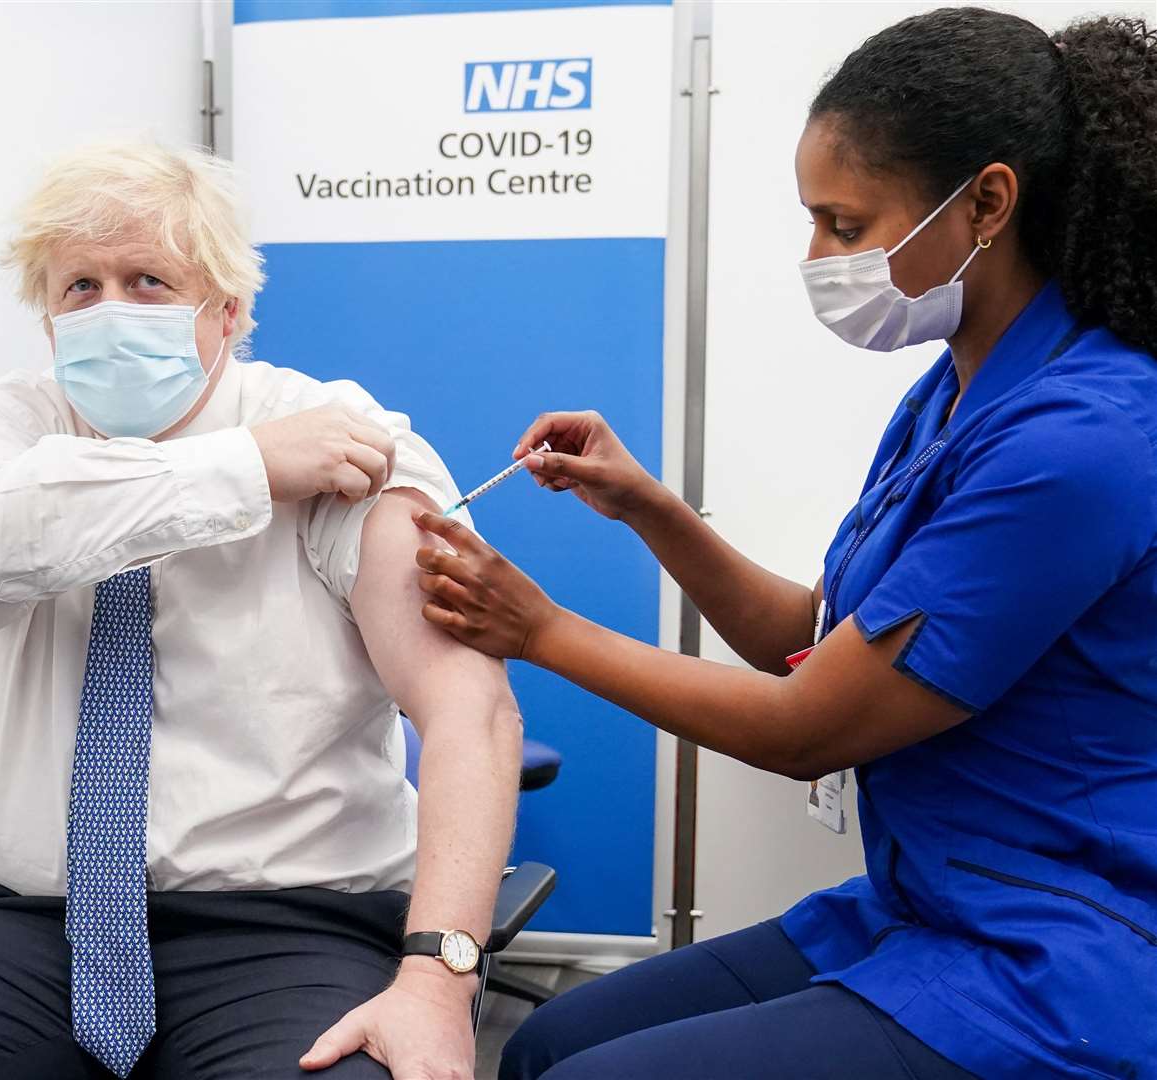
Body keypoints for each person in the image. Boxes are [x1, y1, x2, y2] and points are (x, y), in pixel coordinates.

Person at [411, 9, 1157, 1080]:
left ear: (986, 202)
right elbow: (809, 638)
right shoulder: (953, 398)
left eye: (843, 226)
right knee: (544, 1043)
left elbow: (808, 725)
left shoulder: (1082, 443)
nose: (814, 258)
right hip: (926, 900)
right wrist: (647, 507)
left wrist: (534, 627)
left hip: (1050, 953)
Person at [0, 142, 523, 1080]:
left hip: (288, 928)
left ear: (228, 309)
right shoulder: (19, 423)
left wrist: (437, 982)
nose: (111, 312)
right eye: (80, 288)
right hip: (31, 933)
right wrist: (247, 469)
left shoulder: (343, 434)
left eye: (148, 280)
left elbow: (471, 712)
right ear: (48, 320)